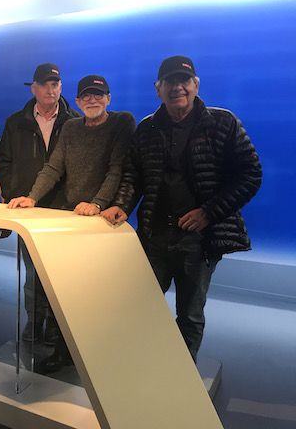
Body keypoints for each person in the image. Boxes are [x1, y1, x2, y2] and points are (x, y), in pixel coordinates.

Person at [102, 56, 262, 361]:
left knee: (189, 314)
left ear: (196, 85)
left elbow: (251, 174)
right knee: (140, 306)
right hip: (154, 236)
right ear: (158, 89)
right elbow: (133, 176)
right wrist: (121, 205)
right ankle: (145, 366)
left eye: (184, 80)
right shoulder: (147, 128)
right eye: (170, 81)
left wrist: (208, 212)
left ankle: (183, 377)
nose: (177, 87)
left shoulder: (223, 123)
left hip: (199, 241)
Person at [8, 74, 136, 372]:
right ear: (77, 101)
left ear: (109, 98)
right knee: (66, 290)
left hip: (102, 223)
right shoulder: (71, 127)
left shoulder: (121, 123)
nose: (92, 100)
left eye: (98, 94)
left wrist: (98, 203)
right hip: (72, 219)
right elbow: (53, 167)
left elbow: (117, 169)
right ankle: (63, 351)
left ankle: (98, 352)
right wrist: (32, 197)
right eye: (86, 95)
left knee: (98, 292)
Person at [0, 63, 80, 344]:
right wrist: (12, 194)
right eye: (44, 84)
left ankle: (56, 327)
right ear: (33, 88)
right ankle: (34, 323)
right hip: (27, 212)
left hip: (62, 211)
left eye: (55, 84)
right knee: (32, 274)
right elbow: (3, 161)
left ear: (61, 87)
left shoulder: (75, 122)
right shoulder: (16, 122)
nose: (50, 90)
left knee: (61, 273)